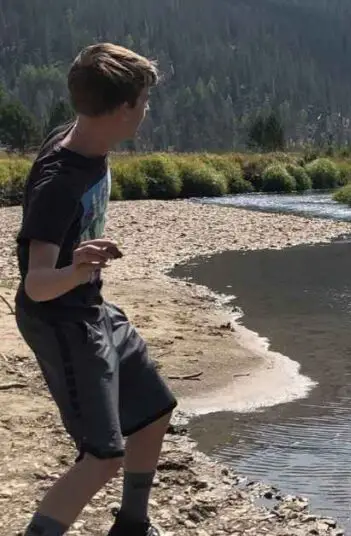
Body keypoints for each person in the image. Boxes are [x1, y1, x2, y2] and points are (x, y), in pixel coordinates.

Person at [15, 43, 177, 536]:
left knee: (154, 409)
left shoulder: (85, 139)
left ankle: (132, 525)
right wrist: (77, 266)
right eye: (144, 102)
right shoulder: (60, 183)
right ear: (124, 107)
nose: (146, 113)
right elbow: (36, 285)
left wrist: (81, 268)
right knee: (103, 456)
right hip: (59, 319)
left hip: (90, 308)